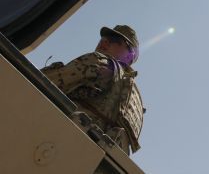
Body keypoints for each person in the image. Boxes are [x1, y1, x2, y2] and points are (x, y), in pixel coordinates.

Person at [41, 25, 144, 155]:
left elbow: (44, 82)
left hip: (58, 143)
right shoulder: (136, 101)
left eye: (115, 40)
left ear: (130, 54)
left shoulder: (99, 61)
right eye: (104, 38)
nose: (104, 41)